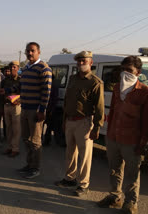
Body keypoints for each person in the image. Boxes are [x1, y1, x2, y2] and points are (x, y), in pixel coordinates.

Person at [97, 56, 148, 214]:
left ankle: (131, 203)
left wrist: (143, 143)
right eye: (123, 69)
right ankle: (115, 197)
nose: (125, 73)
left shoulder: (144, 92)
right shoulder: (117, 88)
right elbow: (112, 112)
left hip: (132, 141)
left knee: (133, 174)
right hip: (113, 138)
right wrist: (107, 133)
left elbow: (146, 120)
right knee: (114, 169)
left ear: (138, 72)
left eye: (129, 70)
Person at [55, 51, 105, 196]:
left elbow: (100, 107)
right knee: (70, 152)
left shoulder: (95, 82)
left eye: (83, 60)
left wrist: (97, 127)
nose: (80, 63)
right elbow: (67, 101)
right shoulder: (72, 78)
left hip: (84, 122)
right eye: (79, 61)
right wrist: (64, 120)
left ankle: (83, 184)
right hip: (70, 120)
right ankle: (69, 178)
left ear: (91, 62)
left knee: (85, 156)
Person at [14, 42, 52, 179]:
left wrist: (42, 110)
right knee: (26, 139)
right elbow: (21, 88)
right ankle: (29, 165)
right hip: (24, 108)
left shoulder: (44, 68)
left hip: (35, 110)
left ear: (38, 52)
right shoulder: (25, 69)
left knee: (35, 141)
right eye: (28, 51)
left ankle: (35, 168)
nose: (30, 53)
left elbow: (46, 91)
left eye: (33, 51)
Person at [1, 61, 21, 157]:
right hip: (7, 105)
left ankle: (15, 148)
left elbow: (24, 93)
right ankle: (9, 147)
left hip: (16, 107)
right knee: (8, 128)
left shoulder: (21, 80)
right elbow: (3, 91)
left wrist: (18, 100)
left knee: (16, 129)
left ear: (18, 68)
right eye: (11, 67)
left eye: (14, 67)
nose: (12, 69)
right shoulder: (5, 80)